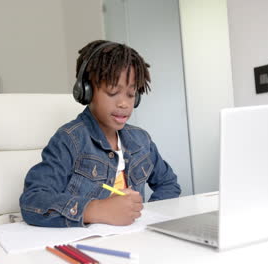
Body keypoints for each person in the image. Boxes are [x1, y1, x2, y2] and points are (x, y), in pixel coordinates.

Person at [19, 40, 181, 227]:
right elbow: (33, 201)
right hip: (89, 243)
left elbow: (169, 184)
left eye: (131, 94)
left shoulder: (141, 140)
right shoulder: (70, 140)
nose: (124, 103)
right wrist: (96, 210)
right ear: (86, 91)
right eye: (113, 92)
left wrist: (147, 217)